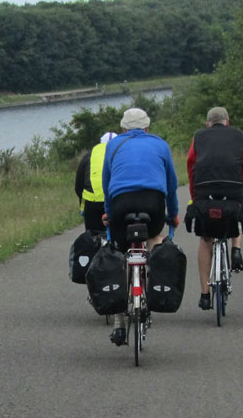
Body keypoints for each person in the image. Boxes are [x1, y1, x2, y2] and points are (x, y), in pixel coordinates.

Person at [101, 107, 179, 345]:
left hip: (121, 204)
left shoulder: (113, 146)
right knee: (155, 237)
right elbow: (171, 185)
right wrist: (173, 214)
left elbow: (107, 184)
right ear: (147, 128)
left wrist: (109, 213)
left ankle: (119, 324)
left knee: (120, 251)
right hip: (153, 203)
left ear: (123, 129)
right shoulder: (161, 145)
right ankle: (155, 282)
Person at [185, 106, 243, 311]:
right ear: (228, 121)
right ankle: (236, 249)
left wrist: (194, 195)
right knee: (237, 211)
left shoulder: (199, 136)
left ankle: (205, 294)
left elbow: (190, 164)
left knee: (206, 239)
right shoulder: (240, 136)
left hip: (204, 192)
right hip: (233, 192)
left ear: (208, 123)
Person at [74, 132, 117, 232]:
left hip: (92, 203)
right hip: (116, 201)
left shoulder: (89, 155)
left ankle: (94, 241)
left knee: (93, 237)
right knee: (120, 234)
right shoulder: (121, 153)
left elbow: (78, 186)